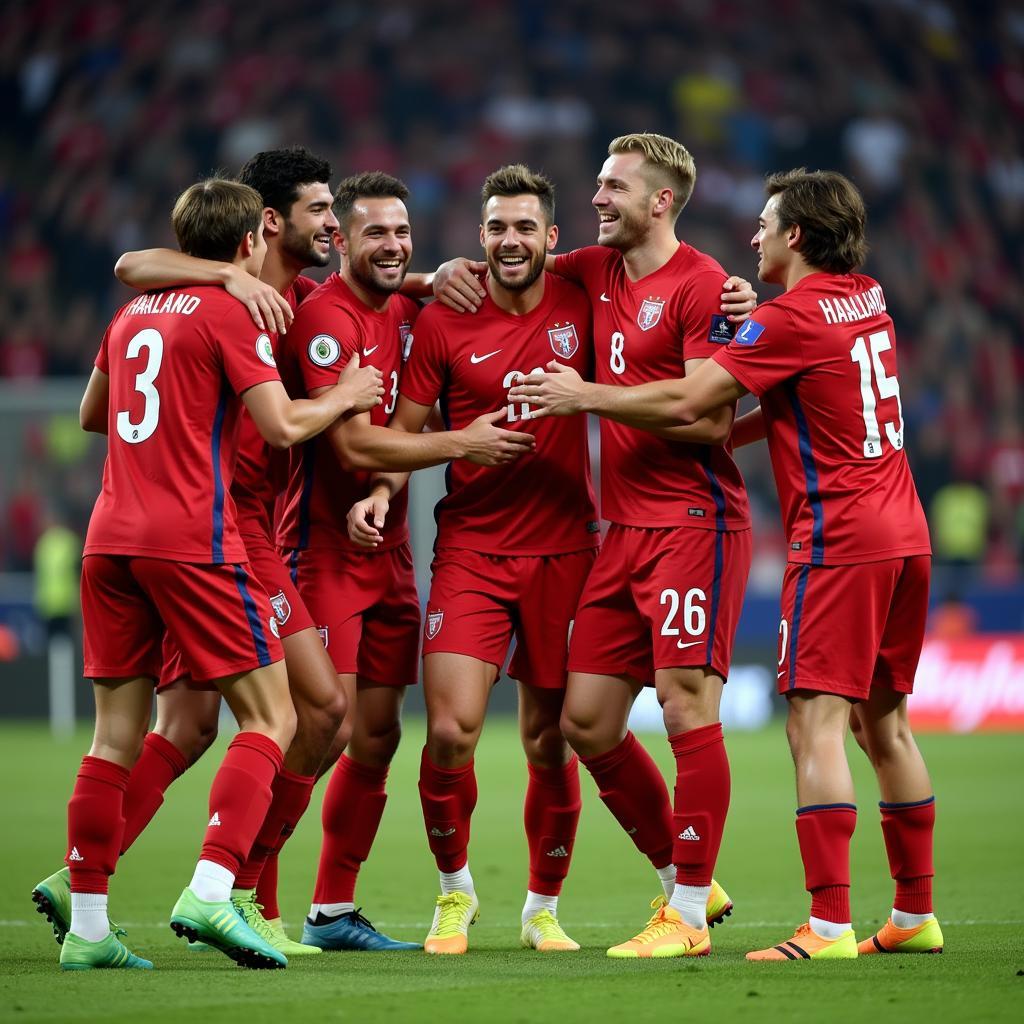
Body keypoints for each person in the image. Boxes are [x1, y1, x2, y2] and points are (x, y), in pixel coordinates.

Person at [511, 167, 942, 961]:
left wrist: (585, 397)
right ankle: (914, 913)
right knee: (883, 722)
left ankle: (829, 926)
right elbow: (773, 406)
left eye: (767, 225)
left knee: (814, 727)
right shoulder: (867, 295)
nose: (754, 238)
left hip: (839, 540)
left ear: (797, 237)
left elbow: (690, 402)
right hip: (904, 528)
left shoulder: (785, 319)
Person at [32, 147, 368, 959]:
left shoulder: (131, 314)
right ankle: (219, 890)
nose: (334, 224)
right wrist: (347, 397)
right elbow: (285, 424)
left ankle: (86, 923)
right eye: (319, 210)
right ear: (258, 233)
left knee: (132, 733)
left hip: (110, 538)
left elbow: (91, 414)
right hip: (203, 539)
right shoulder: (232, 313)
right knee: (279, 714)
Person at [500, 133, 752, 960]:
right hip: (622, 532)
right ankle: (691, 876)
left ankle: (682, 916)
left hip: (693, 522)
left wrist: (587, 398)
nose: (597, 198)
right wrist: (440, 277)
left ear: (660, 202)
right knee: (588, 721)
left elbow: (710, 417)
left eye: (614, 188)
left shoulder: (706, 286)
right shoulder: (592, 270)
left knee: (685, 705)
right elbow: (516, 263)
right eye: (599, 184)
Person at [275, 170, 535, 952]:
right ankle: (243, 895)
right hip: (322, 547)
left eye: (401, 233)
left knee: (377, 737)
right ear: (340, 241)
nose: (392, 246)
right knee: (321, 728)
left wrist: (435, 275)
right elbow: (350, 442)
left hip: (386, 551)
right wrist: (463, 443)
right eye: (373, 233)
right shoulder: (324, 318)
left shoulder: (408, 307)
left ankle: (329, 910)